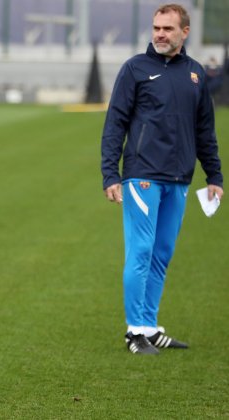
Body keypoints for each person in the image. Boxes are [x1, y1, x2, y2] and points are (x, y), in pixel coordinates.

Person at [101, 4, 223, 355]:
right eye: (156, 27)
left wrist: (214, 174)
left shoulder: (196, 74)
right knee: (140, 251)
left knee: (161, 254)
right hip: (142, 175)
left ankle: (150, 327)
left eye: (167, 29)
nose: (159, 34)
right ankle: (134, 331)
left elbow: (205, 132)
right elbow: (115, 124)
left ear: (185, 32)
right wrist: (111, 173)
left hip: (180, 178)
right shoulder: (135, 69)